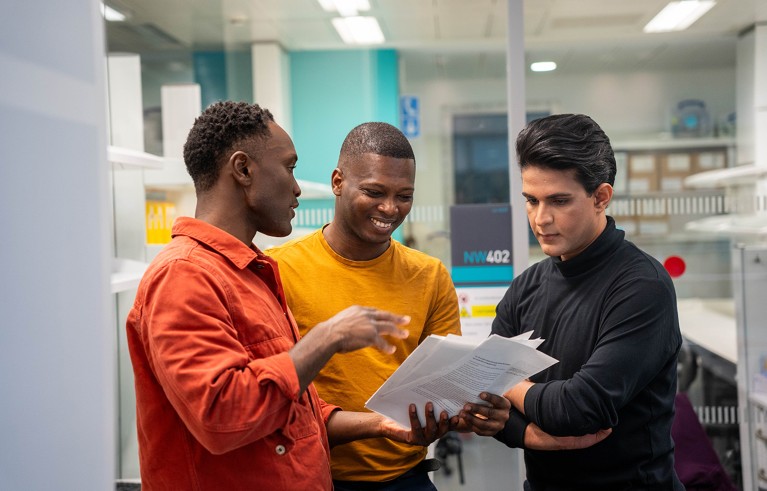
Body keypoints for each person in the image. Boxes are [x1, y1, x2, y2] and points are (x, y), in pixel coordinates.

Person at [126, 102, 461, 490]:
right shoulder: (183, 275)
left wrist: (382, 424)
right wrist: (328, 336)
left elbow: (293, 405)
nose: (298, 186)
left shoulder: (251, 273)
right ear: (243, 169)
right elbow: (221, 415)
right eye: (290, 167)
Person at [266, 122, 511, 490]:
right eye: (374, 191)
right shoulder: (278, 269)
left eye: (405, 196)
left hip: (406, 478)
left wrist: (479, 414)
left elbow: (450, 395)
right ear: (337, 182)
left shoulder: (428, 275)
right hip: (312, 476)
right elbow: (270, 395)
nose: (390, 208)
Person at [492, 113, 684, 490]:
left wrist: (508, 382)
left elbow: (580, 408)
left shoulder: (643, 286)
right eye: (531, 200)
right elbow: (485, 399)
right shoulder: (525, 287)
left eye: (559, 201)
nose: (540, 219)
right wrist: (527, 434)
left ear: (601, 197)